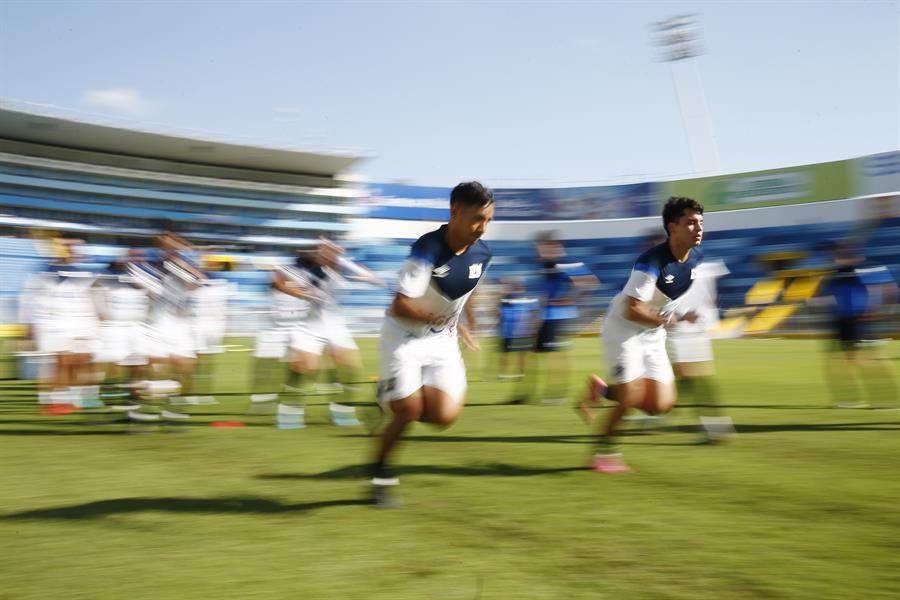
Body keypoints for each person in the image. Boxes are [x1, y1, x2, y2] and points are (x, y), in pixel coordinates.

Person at [370, 181, 494, 507]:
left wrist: (463, 322)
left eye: (488, 221)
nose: (482, 228)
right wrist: (432, 318)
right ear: (455, 212)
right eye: (477, 219)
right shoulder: (426, 248)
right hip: (404, 337)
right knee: (408, 411)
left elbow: (467, 286)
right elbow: (398, 305)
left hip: (443, 342)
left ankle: (393, 392)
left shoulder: (483, 253)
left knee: (444, 417)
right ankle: (381, 473)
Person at [591, 196, 704, 473]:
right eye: (690, 223)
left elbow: (666, 301)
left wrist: (677, 316)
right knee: (631, 395)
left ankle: (604, 391)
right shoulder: (650, 261)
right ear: (672, 227)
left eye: (701, 222)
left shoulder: (696, 257)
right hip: (624, 327)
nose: (698, 228)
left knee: (660, 405)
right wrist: (674, 319)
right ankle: (603, 453)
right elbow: (631, 310)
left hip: (653, 331)